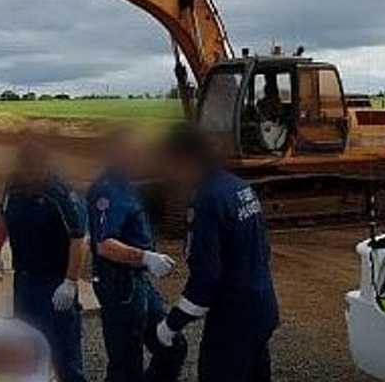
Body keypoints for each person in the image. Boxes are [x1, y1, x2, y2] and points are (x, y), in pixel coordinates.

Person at [155, 126, 279, 382]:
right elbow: (262, 250)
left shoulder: (207, 200)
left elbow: (206, 281)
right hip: (262, 307)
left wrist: (170, 325)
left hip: (233, 318)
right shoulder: (239, 187)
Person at [87, 130, 186, 382]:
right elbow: (104, 244)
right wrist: (146, 257)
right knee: (126, 363)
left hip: (137, 281)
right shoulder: (107, 191)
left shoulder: (129, 185)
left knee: (173, 345)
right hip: (120, 285)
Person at [0, 141, 88, 382]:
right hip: (24, 280)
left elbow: (78, 239)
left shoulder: (60, 193)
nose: (31, 175)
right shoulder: (12, 186)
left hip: (55, 283)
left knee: (65, 351)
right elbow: (4, 217)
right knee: (28, 342)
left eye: (36, 169)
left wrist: (70, 282)